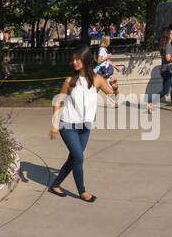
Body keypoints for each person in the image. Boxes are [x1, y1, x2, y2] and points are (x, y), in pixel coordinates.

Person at [49, 46, 117, 202]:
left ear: (86, 60)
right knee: (79, 158)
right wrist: (54, 125)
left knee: (74, 158)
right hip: (68, 126)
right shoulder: (70, 81)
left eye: (77, 59)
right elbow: (58, 102)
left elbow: (112, 95)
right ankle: (82, 192)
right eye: (73, 59)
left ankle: (55, 184)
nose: (74, 62)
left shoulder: (97, 79)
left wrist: (116, 87)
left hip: (85, 128)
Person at [150, 27, 172, 113]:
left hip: (168, 70)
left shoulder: (167, 45)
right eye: (171, 33)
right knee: (165, 90)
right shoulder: (168, 45)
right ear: (168, 36)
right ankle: (151, 103)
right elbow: (168, 59)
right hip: (167, 71)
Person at [95, 35, 120, 107]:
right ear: (106, 41)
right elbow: (99, 61)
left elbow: (108, 61)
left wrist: (116, 67)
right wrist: (107, 57)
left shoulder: (105, 49)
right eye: (109, 40)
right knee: (100, 86)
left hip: (105, 71)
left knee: (104, 85)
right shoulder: (102, 49)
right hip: (102, 71)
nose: (109, 42)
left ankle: (112, 103)